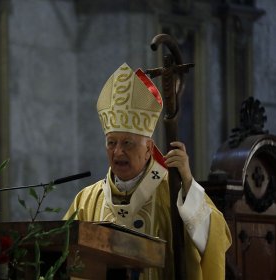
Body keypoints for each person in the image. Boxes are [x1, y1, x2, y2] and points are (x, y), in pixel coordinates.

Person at [63, 63, 232, 280]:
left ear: (149, 149)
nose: (118, 152)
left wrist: (187, 182)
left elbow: (215, 237)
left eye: (128, 143)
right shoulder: (86, 201)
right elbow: (59, 256)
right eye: (111, 143)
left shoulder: (172, 192)